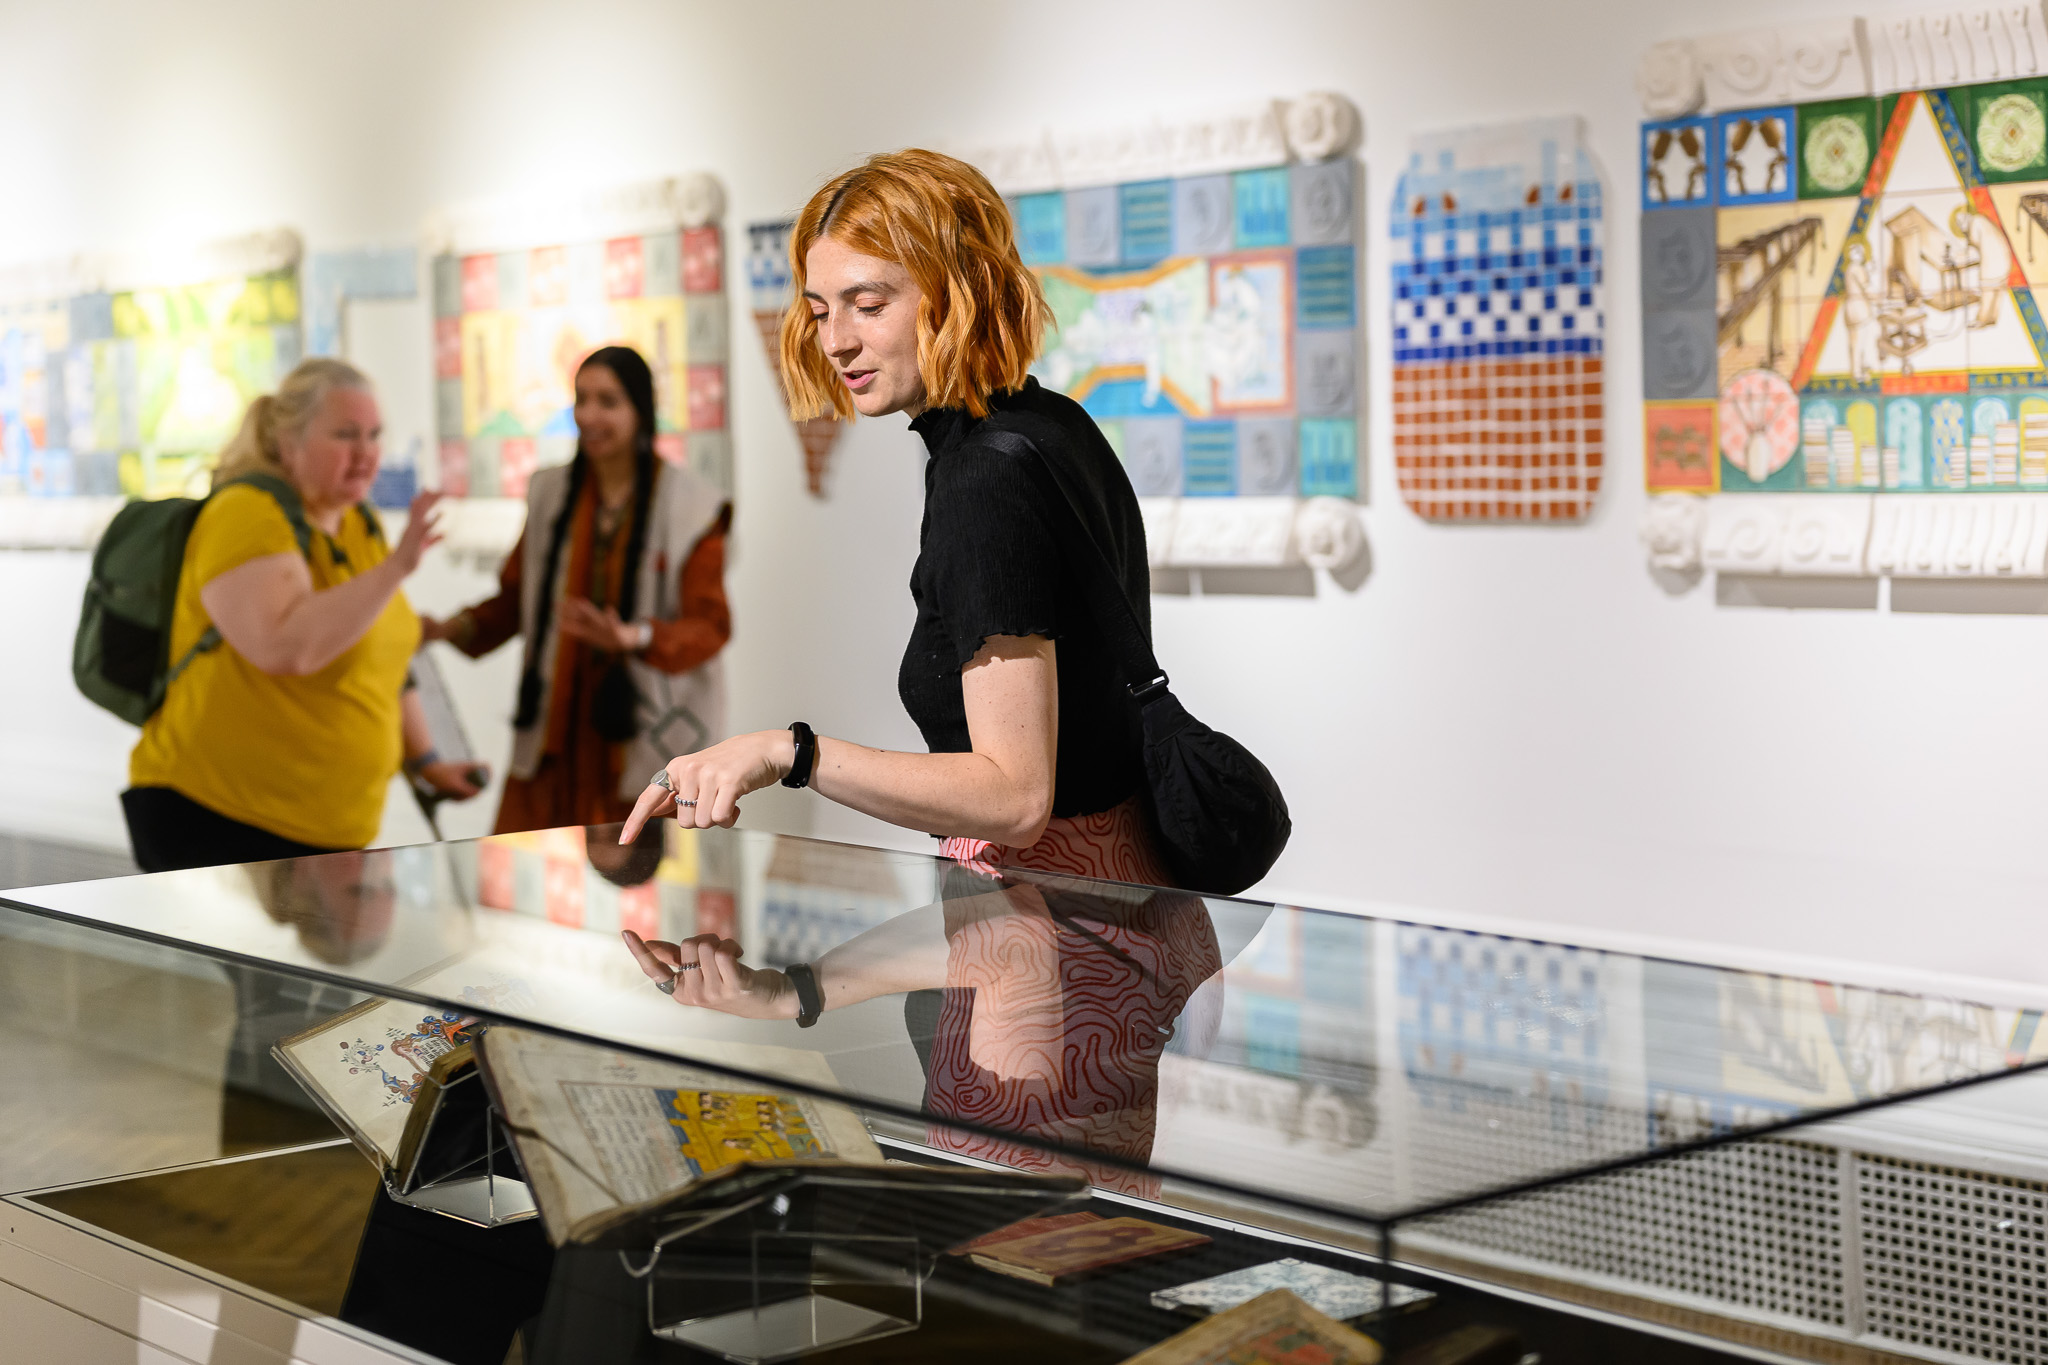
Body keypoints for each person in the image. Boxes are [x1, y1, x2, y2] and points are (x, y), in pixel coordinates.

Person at [619, 148, 1170, 893]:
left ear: (953, 293)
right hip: (1114, 889)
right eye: (819, 311)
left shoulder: (987, 474)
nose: (835, 339)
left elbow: (1015, 797)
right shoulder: (1048, 422)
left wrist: (791, 753)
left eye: (868, 305)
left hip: (1058, 921)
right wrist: (803, 993)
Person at [123, 359, 482, 872]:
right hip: (220, 820)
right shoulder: (245, 513)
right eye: (345, 436)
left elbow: (385, 655)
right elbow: (287, 647)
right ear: (288, 441)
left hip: (320, 832)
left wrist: (427, 762)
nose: (366, 455)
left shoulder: (358, 520)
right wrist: (399, 565)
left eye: (374, 435)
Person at [423, 346, 730, 833]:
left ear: (640, 411)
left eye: (607, 401)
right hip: (557, 727)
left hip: (642, 729)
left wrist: (634, 638)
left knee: (631, 859)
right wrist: (447, 628)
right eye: (581, 399)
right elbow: (515, 601)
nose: (588, 415)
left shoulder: (692, 506)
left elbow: (709, 627)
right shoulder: (550, 492)